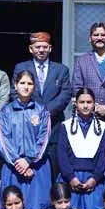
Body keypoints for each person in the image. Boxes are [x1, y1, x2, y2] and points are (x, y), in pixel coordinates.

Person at [12, 32, 72, 180]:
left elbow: (65, 94)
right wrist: (32, 111)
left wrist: (44, 113)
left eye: (45, 47)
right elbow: (15, 93)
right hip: (27, 127)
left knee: (53, 169)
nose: (41, 50)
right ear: (31, 49)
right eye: (37, 47)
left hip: (54, 126)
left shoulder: (61, 70)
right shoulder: (21, 67)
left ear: (50, 48)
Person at [0, 70, 51, 209]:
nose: (26, 87)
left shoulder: (42, 111)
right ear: (15, 85)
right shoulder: (6, 112)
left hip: (36, 167)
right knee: (12, 208)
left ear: (34, 87)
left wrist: (28, 160)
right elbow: (3, 140)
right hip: (13, 168)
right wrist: (17, 161)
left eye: (30, 83)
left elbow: (44, 138)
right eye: (22, 83)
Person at [57, 88, 105, 209]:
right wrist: (71, 177)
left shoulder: (102, 127)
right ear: (76, 104)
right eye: (82, 102)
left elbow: (103, 155)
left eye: (89, 102)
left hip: (93, 181)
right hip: (71, 179)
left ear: (94, 104)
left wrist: (95, 178)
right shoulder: (66, 126)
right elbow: (62, 154)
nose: (85, 106)